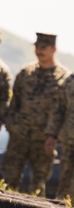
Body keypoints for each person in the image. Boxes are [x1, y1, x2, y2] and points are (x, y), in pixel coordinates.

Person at [1, 32, 69, 195]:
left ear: (54, 49)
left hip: (44, 140)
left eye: (43, 47)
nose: (39, 50)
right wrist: (12, 127)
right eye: (37, 47)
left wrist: (54, 136)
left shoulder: (64, 78)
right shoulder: (26, 73)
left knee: (38, 186)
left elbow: (64, 111)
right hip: (19, 137)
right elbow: (14, 103)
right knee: (8, 181)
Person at [47, 70, 74, 202]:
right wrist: (52, 135)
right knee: (64, 186)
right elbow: (59, 109)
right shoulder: (70, 80)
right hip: (68, 141)